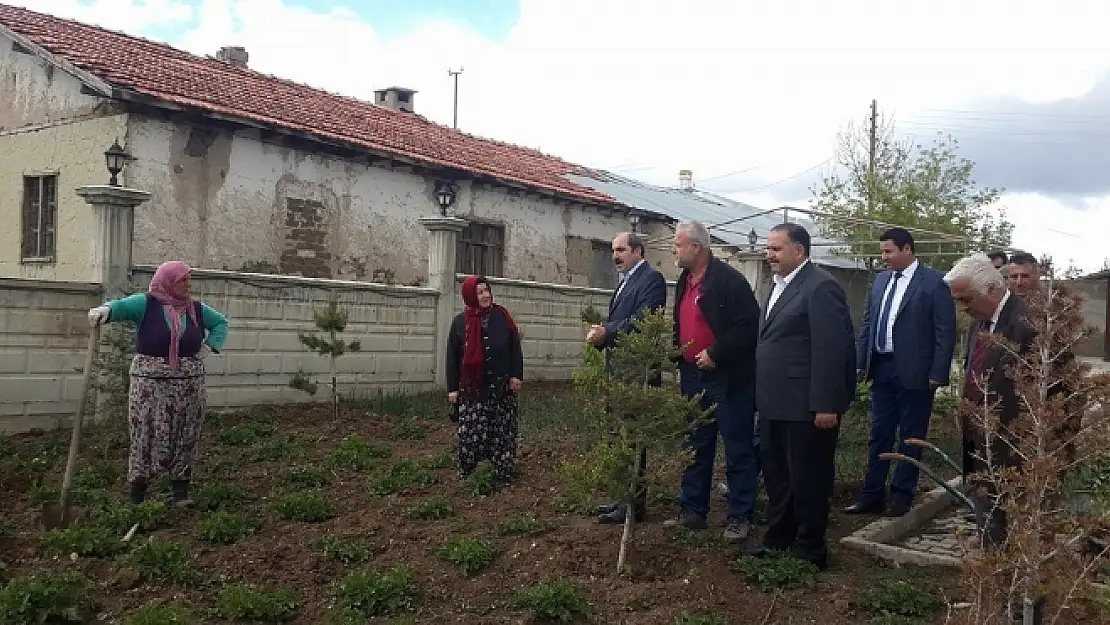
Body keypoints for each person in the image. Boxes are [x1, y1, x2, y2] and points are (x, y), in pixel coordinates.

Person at [747, 223, 855, 571]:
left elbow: (831, 350)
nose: (770, 255)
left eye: (777, 249)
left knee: (808, 478)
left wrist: (825, 404)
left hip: (806, 406)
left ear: (800, 251)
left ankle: (811, 548)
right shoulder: (774, 286)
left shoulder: (821, 287)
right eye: (769, 248)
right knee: (778, 475)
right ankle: (779, 538)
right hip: (774, 402)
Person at [87, 261, 228, 506]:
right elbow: (120, 307)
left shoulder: (196, 309)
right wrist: (105, 311)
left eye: (188, 279)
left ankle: (181, 494)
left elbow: (221, 323)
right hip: (149, 384)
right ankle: (137, 495)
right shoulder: (147, 303)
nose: (188, 284)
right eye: (182, 279)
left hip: (188, 383)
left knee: (185, 434)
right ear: (168, 282)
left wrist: (210, 345)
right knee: (146, 433)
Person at [847, 228, 957, 517]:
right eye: (882, 251)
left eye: (888, 252)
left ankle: (901, 496)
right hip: (881, 368)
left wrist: (938, 372)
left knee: (910, 437)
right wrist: (861, 362)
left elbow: (945, 330)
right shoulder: (881, 281)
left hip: (916, 372)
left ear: (907, 250)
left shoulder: (933, 282)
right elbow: (868, 324)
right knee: (879, 434)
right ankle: (871, 495)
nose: (884, 257)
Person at [667, 220, 762, 541]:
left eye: (678, 244)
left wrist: (717, 353)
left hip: (727, 377)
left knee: (737, 447)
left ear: (697, 247)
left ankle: (740, 515)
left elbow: (748, 327)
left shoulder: (729, 281)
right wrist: (677, 350)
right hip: (692, 375)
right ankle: (693, 510)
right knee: (695, 444)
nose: (674, 249)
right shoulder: (685, 279)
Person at [943, 253, 1036, 546]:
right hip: (982, 445)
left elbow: (1058, 392)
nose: (961, 308)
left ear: (992, 290)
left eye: (966, 299)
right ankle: (996, 581)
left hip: (1018, 453)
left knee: (1020, 537)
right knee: (991, 530)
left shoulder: (1030, 325)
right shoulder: (980, 321)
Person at [587, 232, 667, 525]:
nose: (615, 255)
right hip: (620, 373)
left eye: (620, 250)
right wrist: (603, 336)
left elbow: (644, 320)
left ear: (638, 251)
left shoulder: (651, 280)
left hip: (637, 374)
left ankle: (634, 505)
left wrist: (607, 331)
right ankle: (624, 498)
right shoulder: (625, 282)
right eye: (613, 250)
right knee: (619, 440)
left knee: (633, 441)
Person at [445, 276, 524, 488]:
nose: (485, 295)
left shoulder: (502, 317)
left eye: (487, 290)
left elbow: (514, 347)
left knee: (503, 432)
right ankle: (469, 472)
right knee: (471, 433)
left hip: (501, 388)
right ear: (470, 296)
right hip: (473, 391)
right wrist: (453, 389)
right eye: (479, 292)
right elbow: (452, 357)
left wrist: (516, 375)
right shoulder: (460, 323)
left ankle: (503, 472)